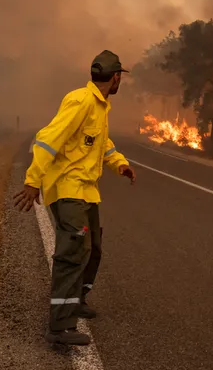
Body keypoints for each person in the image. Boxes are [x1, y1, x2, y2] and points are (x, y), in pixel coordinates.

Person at [13, 50, 136, 346]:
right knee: (71, 251)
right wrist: (33, 181)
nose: (121, 82)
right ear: (116, 77)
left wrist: (119, 163)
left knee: (92, 248)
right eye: (121, 77)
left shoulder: (100, 106)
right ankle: (60, 325)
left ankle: (77, 298)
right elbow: (48, 138)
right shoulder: (80, 101)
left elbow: (102, 144)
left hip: (86, 190)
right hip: (68, 189)